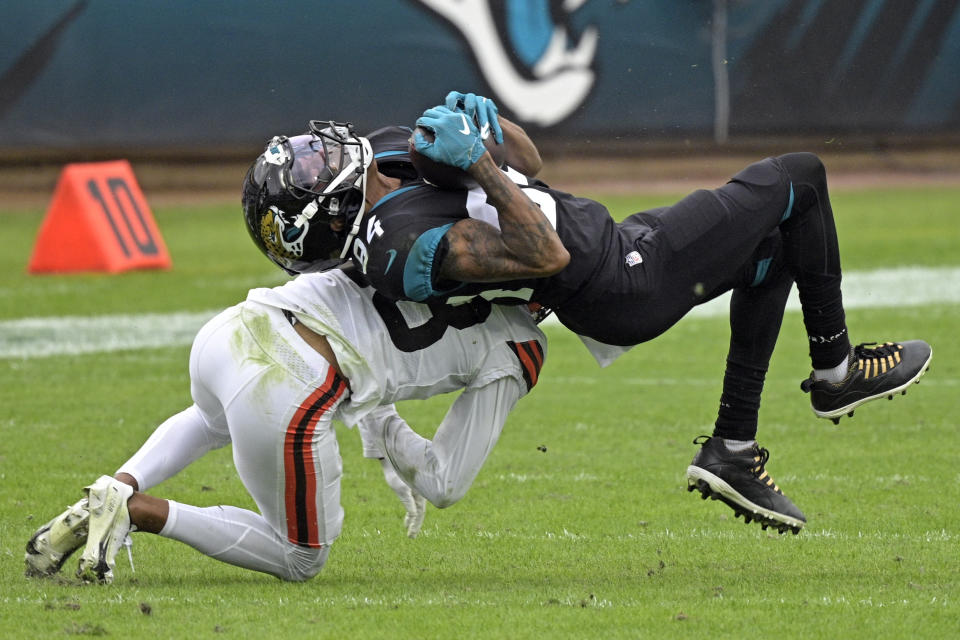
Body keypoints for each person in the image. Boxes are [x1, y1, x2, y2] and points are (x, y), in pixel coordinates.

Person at [240, 93, 932, 534]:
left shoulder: (390, 151)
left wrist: (491, 124)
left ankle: (733, 448)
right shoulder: (394, 246)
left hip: (618, 243)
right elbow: (545, 257)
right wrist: (479, 165)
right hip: (619, 283)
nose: (317, 153)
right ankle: (836, 372)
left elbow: (531, 164)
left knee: (775, 244)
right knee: (800, 175)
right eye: (305, 169)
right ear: (322, 213)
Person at [24, 264, 546, 583]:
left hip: (236, 327)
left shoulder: (422, 234)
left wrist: (379, 428)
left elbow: (369, 334)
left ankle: (117, 486)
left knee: (211, 418)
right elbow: (443, 481)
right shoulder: (523, 339)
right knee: (301, 558)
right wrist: (390, 441)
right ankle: (138, 511)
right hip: (293, 385)